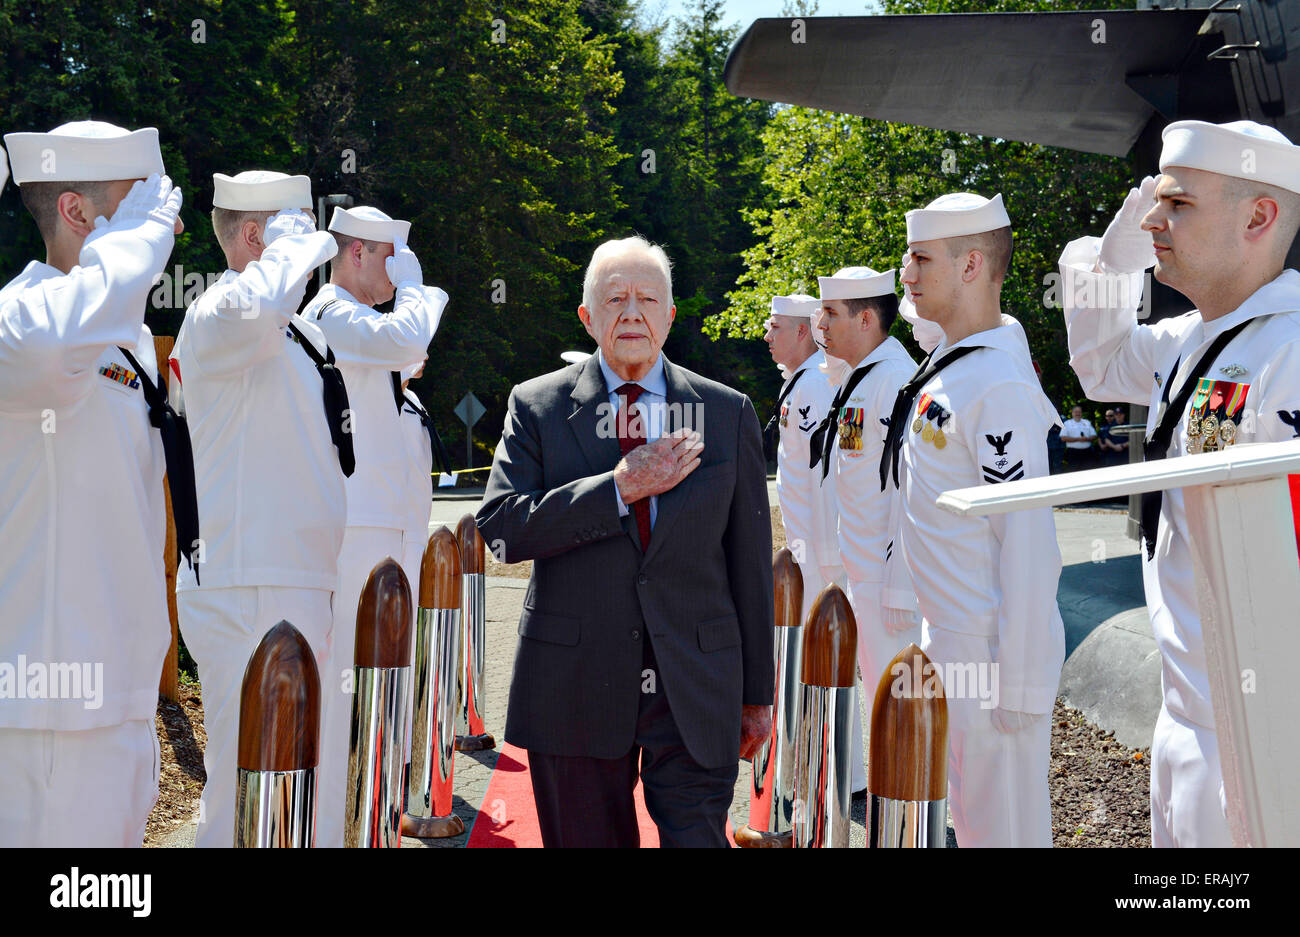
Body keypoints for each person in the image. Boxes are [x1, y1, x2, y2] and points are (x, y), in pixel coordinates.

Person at [477, 236, 774, 847]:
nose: (632, 313)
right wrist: (618, 488)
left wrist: (756, 694)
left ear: (670, 315)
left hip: (695, 683)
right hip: (575, 685)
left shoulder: (725, 412)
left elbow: (749, 566)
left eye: (648, 299)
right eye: (615, 299)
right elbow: (502, 529)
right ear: (588, 318)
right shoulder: (536, 406)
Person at [1060, 119, 1300, 847]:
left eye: (1179, 204)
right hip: (1186, 712)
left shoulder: (1289, 349)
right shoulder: (1191, 338)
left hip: (1261, 731)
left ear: (1259, 216)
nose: (1154, 220)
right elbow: (1099, 364)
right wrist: (1111, 262)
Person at [0, 122, 185, 846]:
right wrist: (138, 245)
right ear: (78, 214)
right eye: (138, 205)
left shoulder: (120, 341)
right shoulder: (22, 320)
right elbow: (55, 344)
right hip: (49, 715)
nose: (162, 223)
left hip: (119, 699)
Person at [170, 170, 347, 847]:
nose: (313, 245)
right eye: (297, 227)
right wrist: (291, 247)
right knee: (252, 791)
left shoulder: (301, 335)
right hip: (248, 580)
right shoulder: (218, 314)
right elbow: (254, 307)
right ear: (255, 236)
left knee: (308, 786)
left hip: (302, 578)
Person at [886, 192, 1065, 847]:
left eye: (919, 257)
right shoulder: (954, 361)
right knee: (976, 819)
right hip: (952, 641)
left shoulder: (998, 385)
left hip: (991, 655)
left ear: (969, 267)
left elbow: (1027, 542)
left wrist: (1020, 677)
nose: (905, 272)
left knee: (1005, 829)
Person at [302, 205, 447, 817]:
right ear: (356, 251)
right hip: (359, 526)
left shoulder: (359, 321)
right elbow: (407, 336)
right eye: (391, 256)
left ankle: (376, 808)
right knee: (348, 689)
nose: (397, 270)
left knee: (386, 676)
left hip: (389, 523)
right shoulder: (332, 311)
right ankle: (340, 815)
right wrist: (418, 292)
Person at [815, 268, 919, 790]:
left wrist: (901, 582)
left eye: (831, 314)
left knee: (895, 705)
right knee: (879, 701)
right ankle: (885, 809)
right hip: (864, 574)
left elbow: (908, 491)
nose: (820, 326)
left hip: (887, 582)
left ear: (865, 318)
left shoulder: (895, 381)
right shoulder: (862, 377)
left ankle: (907, 822)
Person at [761, 292, 863, 793]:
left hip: (820, 552)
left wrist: (825, 557)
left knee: (827, 657)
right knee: (816, 659)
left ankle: (841, 771)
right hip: (808, 549)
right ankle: (834, 765)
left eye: (775, 326)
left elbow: (827, 478)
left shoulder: (817, 388)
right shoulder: (802, 385)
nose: (766, 334)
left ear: (803, 332)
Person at [1061, 404, 1098, 469]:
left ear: (1081, 413)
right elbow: (1063, 438)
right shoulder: (1067, 423)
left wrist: (1087, 439)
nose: (1077, 413)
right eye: (1075, 412)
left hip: (1087, 453)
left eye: (1079, 412)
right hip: (1073, 453)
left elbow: (1094, 435)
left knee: (1088, 472)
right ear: (1072, 413)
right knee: (1074, 473)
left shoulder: (1087, 422)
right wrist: (1078, 439)